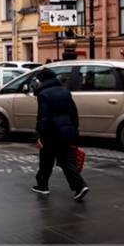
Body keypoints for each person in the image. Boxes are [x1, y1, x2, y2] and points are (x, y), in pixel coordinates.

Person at [32, 68, 89, 201]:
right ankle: (80, 186)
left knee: (46, 160)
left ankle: (43, 186)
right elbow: (73, 112)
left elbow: (43, 118)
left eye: (38, 80)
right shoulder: (65, 91)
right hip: (67, 131)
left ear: (42, 80)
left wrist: (39, 136)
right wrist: (74, 129)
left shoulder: (44, 95)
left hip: (51, 133)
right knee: (67, 160)